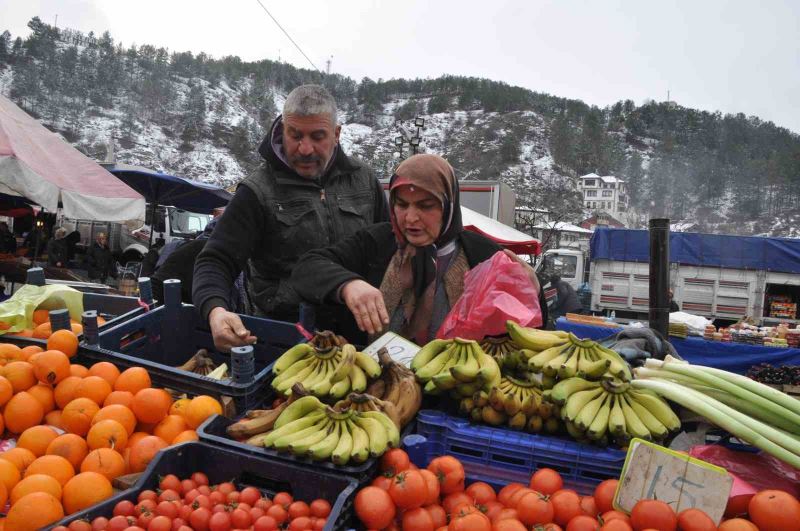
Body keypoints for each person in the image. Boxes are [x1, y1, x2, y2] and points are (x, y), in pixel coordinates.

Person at [193, 84, 389, 351]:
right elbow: (215, 259)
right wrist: (215, 310)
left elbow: (387, 249)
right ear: (282, 129)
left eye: (317, 136)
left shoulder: (364, 181)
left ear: (337, 134)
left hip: (358, 337)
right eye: (295, 135)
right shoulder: (258, 190)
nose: (305, 148)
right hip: (281, 339)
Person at [290, 154, 547, 344]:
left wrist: (531, 290)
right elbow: (307, 267)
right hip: (374, 390)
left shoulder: (482, 256)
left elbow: (526, 329)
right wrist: (347, 285)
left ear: (449, 205)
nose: (410, 218)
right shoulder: (376, 243)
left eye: (425, 206)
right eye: (401, 204)